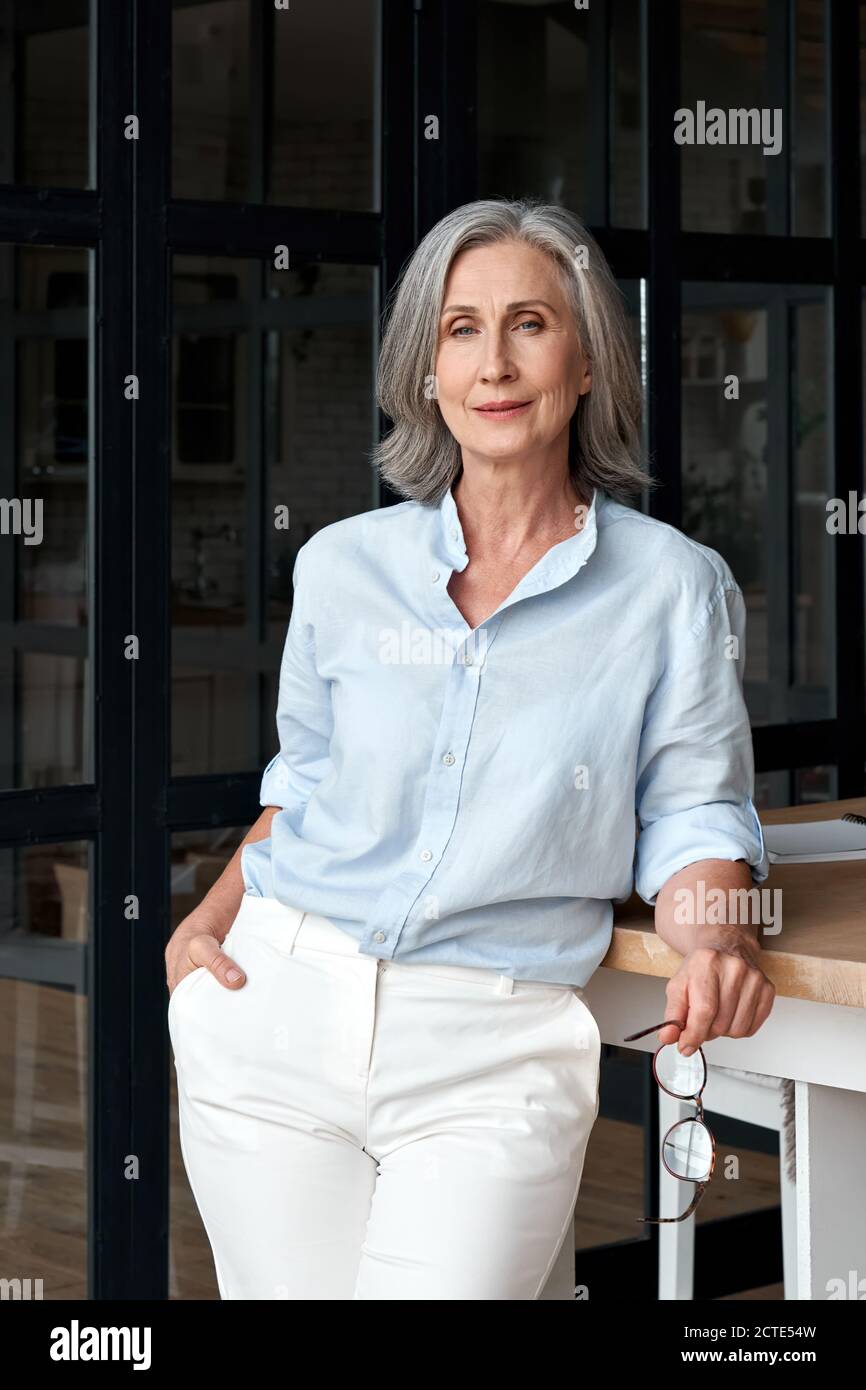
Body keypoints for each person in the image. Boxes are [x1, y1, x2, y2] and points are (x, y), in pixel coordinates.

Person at [165, 197, 773, 1300]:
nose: (493, 361)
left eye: (529, 323)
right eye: (460, 329)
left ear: (584, 361)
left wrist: (716, 937)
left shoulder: (669, 587)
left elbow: (693, 810)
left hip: (491, 1044)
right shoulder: (341, 568)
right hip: (274, 1007)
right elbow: (302, 787)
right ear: (427, 370)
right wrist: (213, 911)